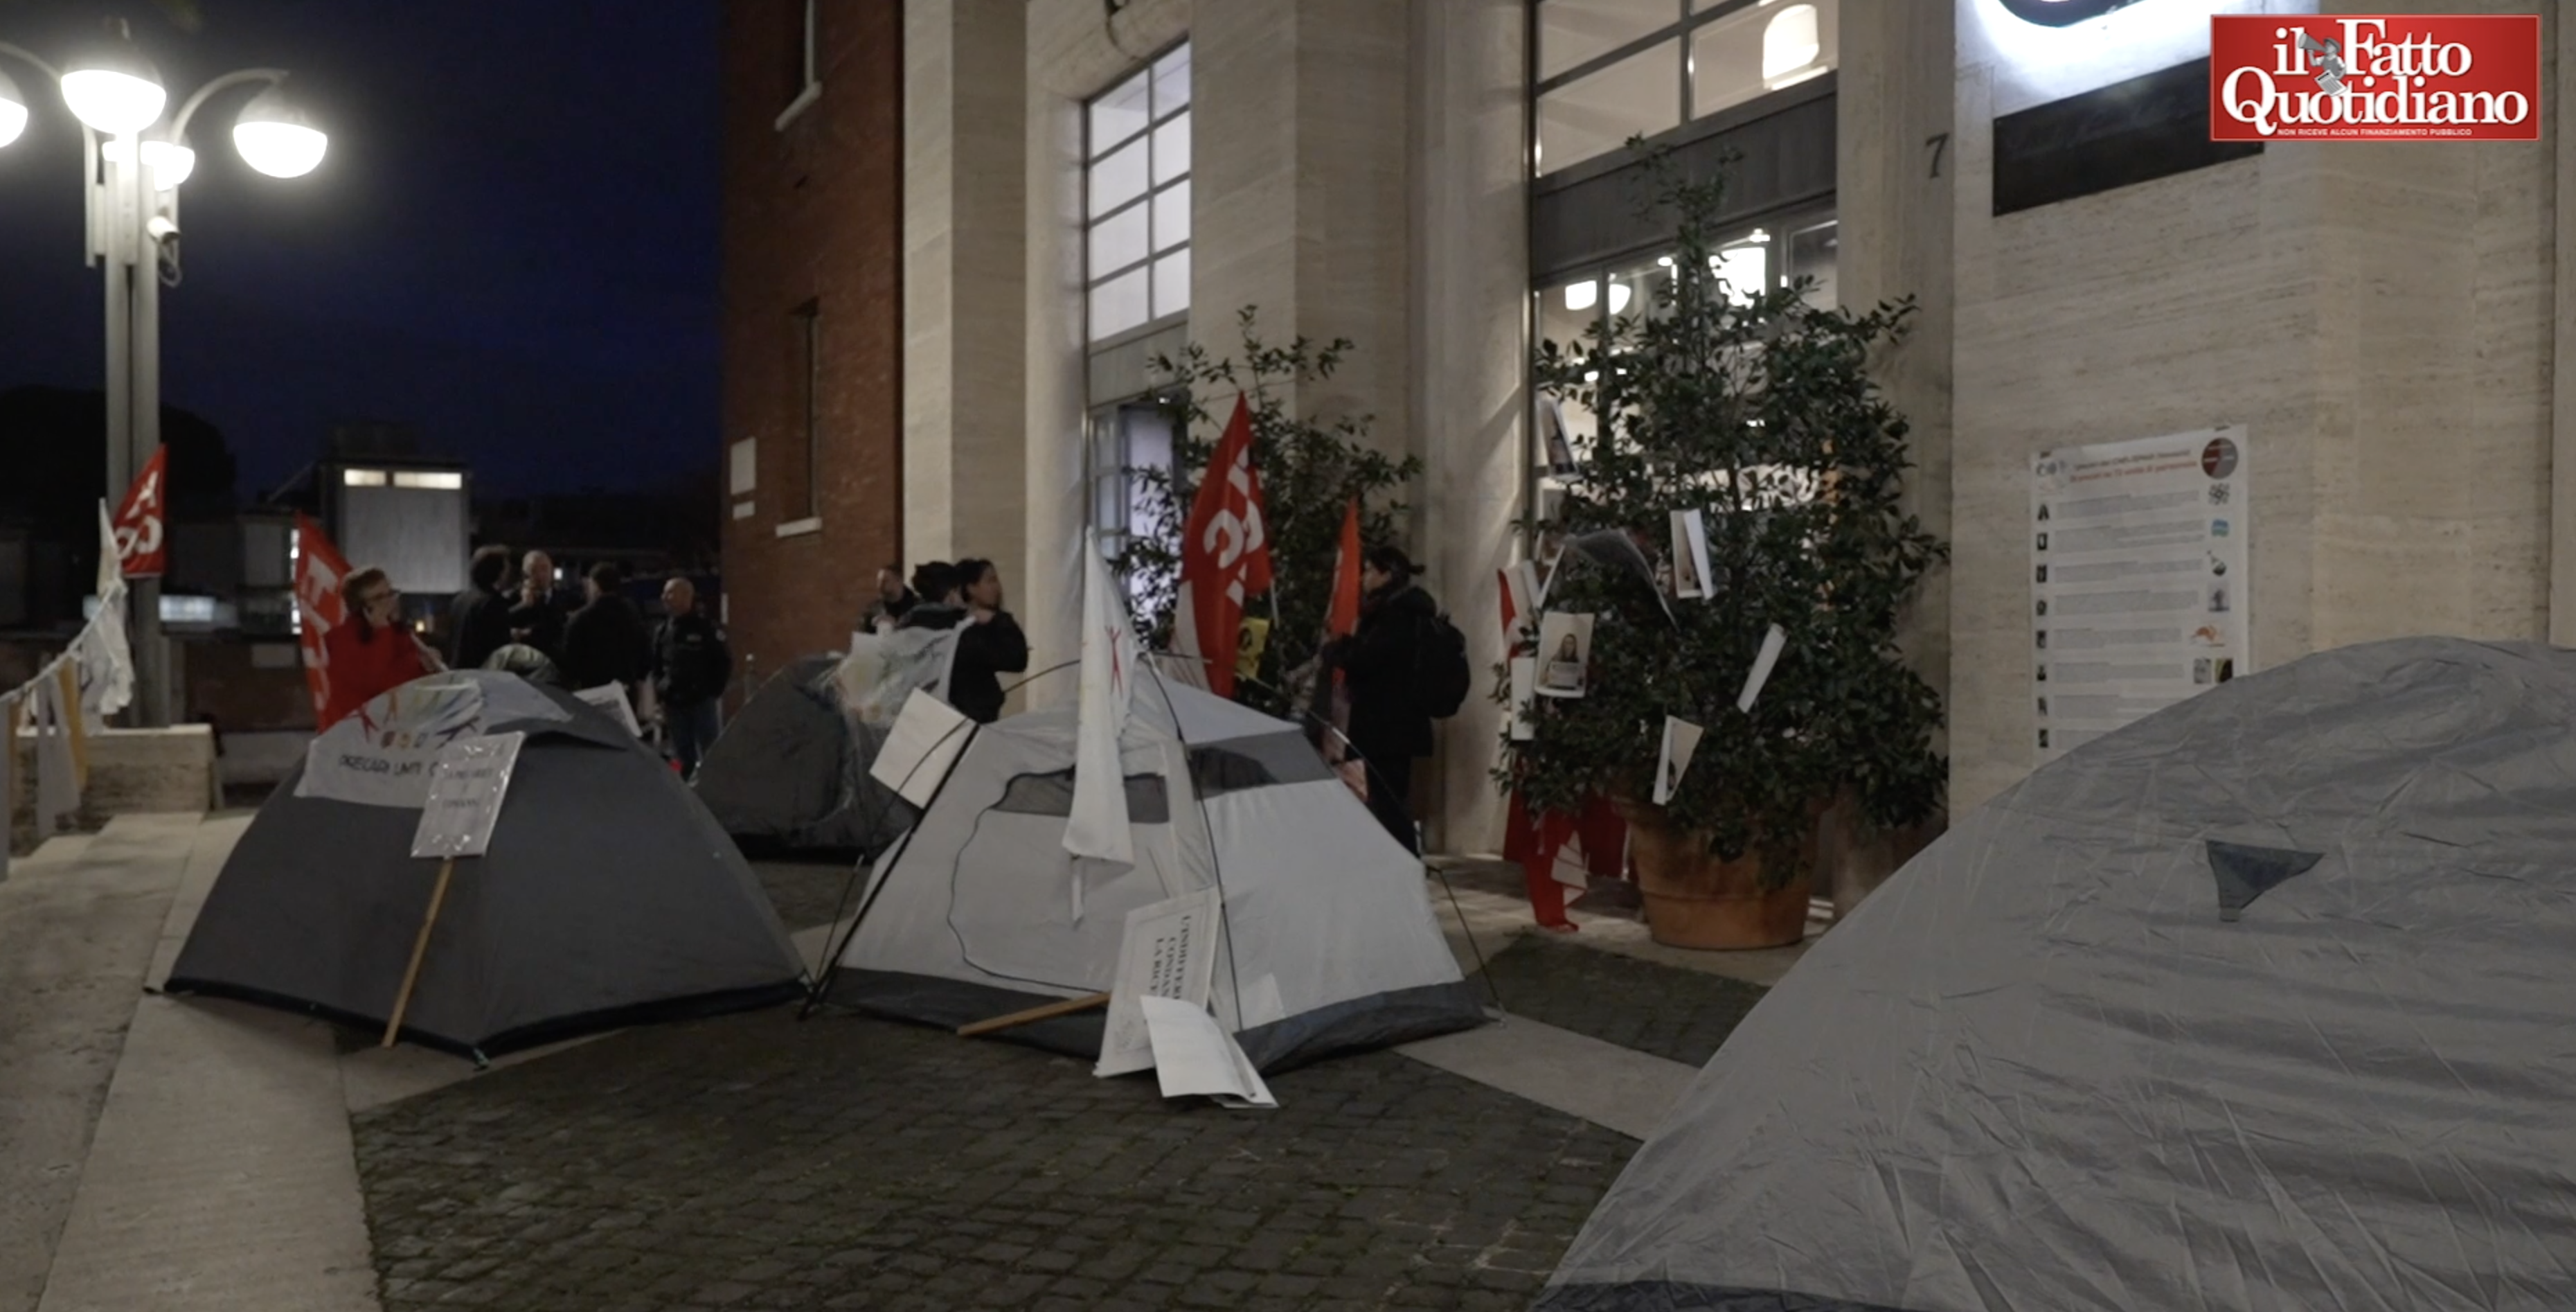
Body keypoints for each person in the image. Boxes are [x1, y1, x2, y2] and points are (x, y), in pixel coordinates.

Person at [1321, 545, 1438, 853]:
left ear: (1387, 574)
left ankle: (1406, 864)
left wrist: (1338, 651)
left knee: (1390, 802)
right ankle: (1400, 862)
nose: (1363, 578)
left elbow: (1369, 659)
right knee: (1387, 798)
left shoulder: (1397, 615)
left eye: (1370, 570)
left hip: (1390, 729)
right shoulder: (1396, 611)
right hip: (1390, 727)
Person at [321, 567, 445, 730]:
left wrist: (424, 666)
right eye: (379, 597)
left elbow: (404, 677)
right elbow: (379, 683)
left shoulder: (397, 632)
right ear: (362, 608)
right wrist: (382, 632)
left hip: (396, 728)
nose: (390, 601)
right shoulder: (344, 640)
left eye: (390, 593)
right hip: (356, 732)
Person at [652, 577, 731, 779]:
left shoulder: (705, 629)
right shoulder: (662, 631)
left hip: (700, 702)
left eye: (670, 593)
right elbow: (657, 665)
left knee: (710, 752)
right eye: (664, 593)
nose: (664, 597)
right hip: (674, 703)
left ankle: (713, 790)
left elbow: (723, 662)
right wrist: (661, 691)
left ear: (686, 596)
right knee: (679, 756)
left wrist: (713, 691)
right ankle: (681, 788)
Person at [945, 558, 1029, 725]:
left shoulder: (976, 624)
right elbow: (1016, 658)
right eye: (990, 581)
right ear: (971, 588)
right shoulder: (967, 628)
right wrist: (1000, 621)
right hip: (969, 717)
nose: (997, 588)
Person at [560, 562, 652, 700]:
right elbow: (645, 653)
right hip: (626, 689)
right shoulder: (633, 616)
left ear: (595, 585)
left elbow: (569, 660)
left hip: (592, 690)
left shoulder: (581, 619)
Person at [444, 544, 515, 673]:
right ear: (498, 573)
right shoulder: (494, 603)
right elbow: (500, 651)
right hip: (482, 678)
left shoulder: (460, 599)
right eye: (505, 569)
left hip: (457, 674)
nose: (508, 573)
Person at [508, 550, 570, 659]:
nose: (540, 575)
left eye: (544, 569)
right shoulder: (512, 597)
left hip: (554, 659)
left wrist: (531, 632)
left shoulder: (567, 598)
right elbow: (502, 621)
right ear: (525, 573)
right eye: (533, 570)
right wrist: (523, 606)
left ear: (552, 571)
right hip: (522, 658)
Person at [860, 564, 917, 635]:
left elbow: (922, 636)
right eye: (879, 581)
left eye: (885, 581)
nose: (880, 585)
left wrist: (896, 626)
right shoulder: (873, 610)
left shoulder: (918, 607)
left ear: (898, 581)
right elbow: (864, 637)